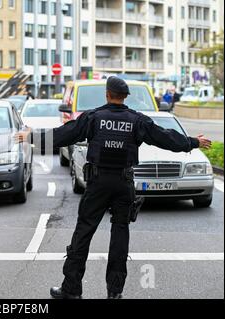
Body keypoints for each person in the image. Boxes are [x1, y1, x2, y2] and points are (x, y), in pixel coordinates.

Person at [15, 77, 211, 299]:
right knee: (120, 237)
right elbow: (164, 138)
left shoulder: (93, 117)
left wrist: (32, 136)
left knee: (83, 234)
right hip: (123, 184)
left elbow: (64, 134)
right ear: (125, 97)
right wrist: (193, 142)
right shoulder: (138, 121)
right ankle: (114, 293)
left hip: (98, 184)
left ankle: (71, 289)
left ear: (107, 94)